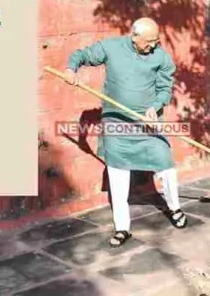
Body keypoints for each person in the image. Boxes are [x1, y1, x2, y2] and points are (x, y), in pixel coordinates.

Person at [63, 18, 187, 247]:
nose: (152, 46)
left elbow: (165, 87)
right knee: (118, 176)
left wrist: (156, 105)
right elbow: (82, 55)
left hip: (147, 122)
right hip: (116, 124)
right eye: (149, 41)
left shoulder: (160, 57)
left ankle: (175, 208)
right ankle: (122, 228)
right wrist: (71, 69)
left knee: (165, 165)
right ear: (134, 36)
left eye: (156, 41)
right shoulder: (111, 47)